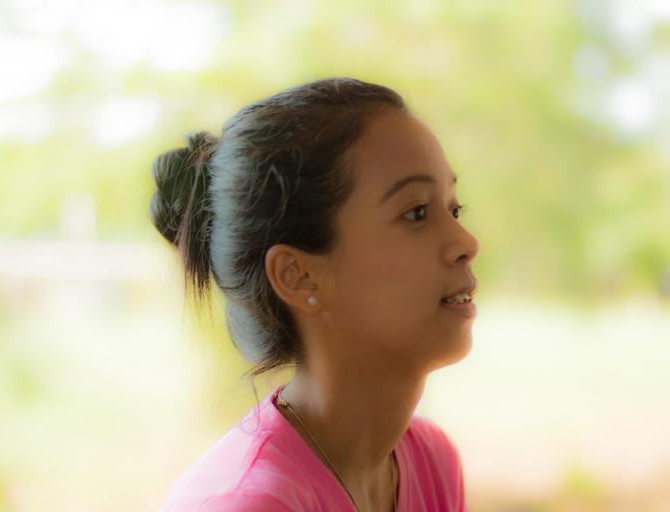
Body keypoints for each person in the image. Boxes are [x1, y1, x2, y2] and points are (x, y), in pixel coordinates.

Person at [151, 77, 479, 511]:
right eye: (416, 212)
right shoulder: (249, 504)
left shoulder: (431, 460)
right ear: (299, 276)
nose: (466, 243)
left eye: (453, 209)